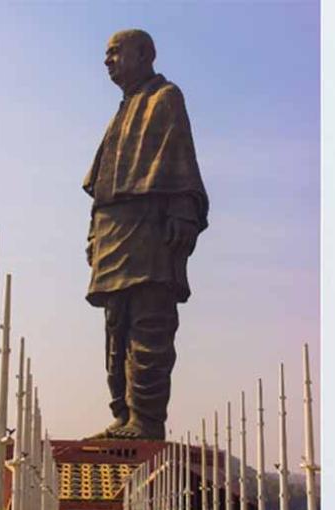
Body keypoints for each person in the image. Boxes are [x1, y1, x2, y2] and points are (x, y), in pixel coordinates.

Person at [84, 29, 208, 441]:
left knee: (149, 324)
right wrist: (93, 234)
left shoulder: (165, 98)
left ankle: (147, 421)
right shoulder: (122, 110)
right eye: (106, 54)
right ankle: (123, 414)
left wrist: (182, 212)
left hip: (150, 227)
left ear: (143, 54)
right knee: (115, 327)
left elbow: (181, 163)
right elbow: (101, 185)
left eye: (115, 52)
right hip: (113, 231)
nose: (108, 60)